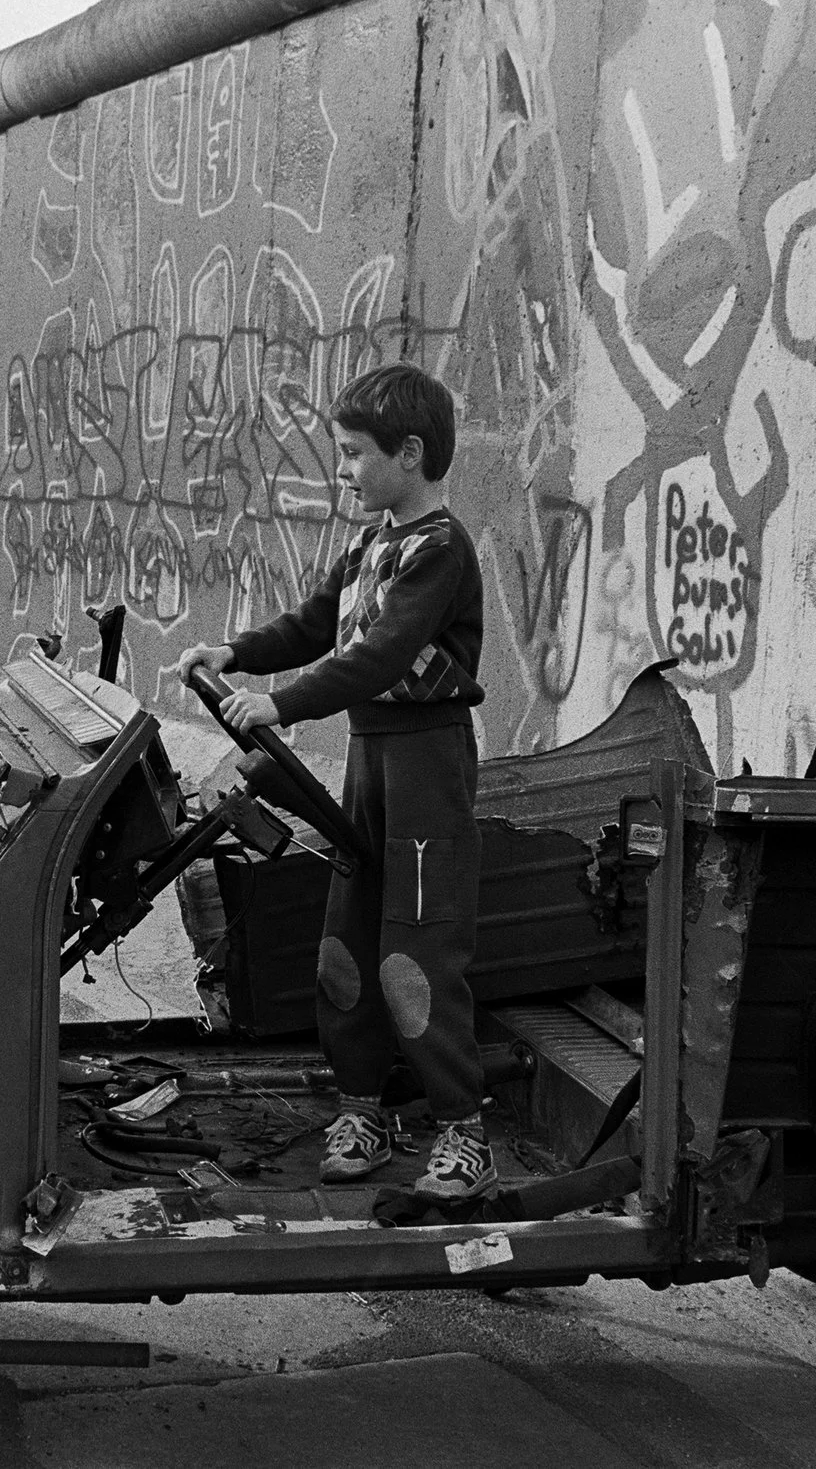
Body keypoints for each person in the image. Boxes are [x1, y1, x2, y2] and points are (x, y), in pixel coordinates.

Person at [172, 364, 490, 1200]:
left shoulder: (441, 550)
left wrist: (276, 704)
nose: (343, 470)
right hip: (371, 759)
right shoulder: (374, 541)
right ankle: (364, 1107)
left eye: (353, 455)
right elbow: (317, 623)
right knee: (345, 946)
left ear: (410, 453)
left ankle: (463, 1128)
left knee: (415, 954)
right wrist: (233, 654)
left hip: (426, 762)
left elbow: (376, 655)